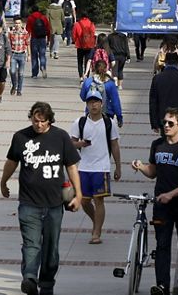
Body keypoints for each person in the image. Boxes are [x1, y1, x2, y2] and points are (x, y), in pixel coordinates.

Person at [1, 102, 81, 295]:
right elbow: (11, 162)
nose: (38, 125)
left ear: (49, 121)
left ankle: (46, 284)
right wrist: (3, 182)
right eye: (35, 120)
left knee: (51, 249)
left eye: (42, 122)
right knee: (31, 244)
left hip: (54, 204)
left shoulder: (60, 137)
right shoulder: (21, 137)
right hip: (29, 203)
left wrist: (79, 194)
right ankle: (29, 278)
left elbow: (71, 167)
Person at [132, 107, 178, 295]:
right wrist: (141, 167)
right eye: (164, 122)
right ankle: (162, 285)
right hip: (161, 205)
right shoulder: (157, 145)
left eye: (170, 123)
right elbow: (152, 172)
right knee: (162, 244)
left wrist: (172, 194)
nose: (166, 126)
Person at [68, 90, 121, 244]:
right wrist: (80, 144)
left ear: (101, 103)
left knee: (99, 201)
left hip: (102, 167)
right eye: (90, 102)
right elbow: (71, 144)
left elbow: (115, 145)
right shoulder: (80, 122)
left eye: (96, 101)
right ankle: (96, 222)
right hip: (84, 167)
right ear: (87, 104)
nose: (93, 105)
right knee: (84, 201)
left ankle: (96, 232)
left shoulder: (109, 123)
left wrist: (118, 167)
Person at [25, 6, 51, 79]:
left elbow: (28, 30)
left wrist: (26, 40)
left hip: (34, 39)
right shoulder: (43, 17)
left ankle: (34, 74)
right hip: (42, 39)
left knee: (34, 57)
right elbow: (48, 29)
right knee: (42, 55)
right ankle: (43, 67)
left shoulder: (30, 18)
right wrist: (48, 39)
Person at [8, 16, 30, 97]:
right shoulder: (11, 33)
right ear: (14, 23)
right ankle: (14, 85)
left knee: (21, 73)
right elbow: (8, 44)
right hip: (13, 54)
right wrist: (8, 55)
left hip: (22, 54)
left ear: (22, 24)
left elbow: (27, 44)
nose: (17, 25)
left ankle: (19, 90)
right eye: (16, 23)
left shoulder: (25, 33)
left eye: (19, 23)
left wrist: (29, 55)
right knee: (12, 71)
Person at [72, 14, 97, 78]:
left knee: (80, 62)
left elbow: (74, 35)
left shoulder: (77, 24)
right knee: (88, 62)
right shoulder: (91, 24)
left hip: (80, 45)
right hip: (90, 46)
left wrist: (74, 41)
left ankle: (81, 77)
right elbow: (93, 34)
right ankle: (87, 77)